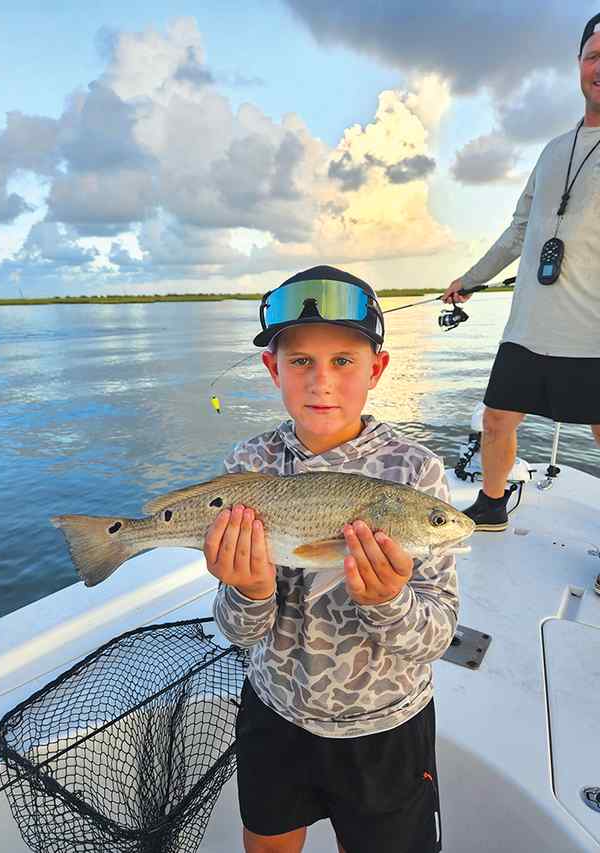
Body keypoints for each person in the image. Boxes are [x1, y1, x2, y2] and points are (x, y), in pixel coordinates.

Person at [205, 265, 458, 853]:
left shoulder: (415, 472)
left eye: (343, 360)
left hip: (385, 724)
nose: (322, 381)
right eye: (301, 361)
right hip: (275, 710)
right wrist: (248, 590)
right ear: (273, 369)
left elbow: (437, 636)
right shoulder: (248, 462)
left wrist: (388, 601)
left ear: (377, 368)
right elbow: (239, 632)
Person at [442, 12, 600, 532]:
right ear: (579, 64)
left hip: (593, 332)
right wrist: (471, 278)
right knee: (496, 419)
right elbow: (518, 230)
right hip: (528, 326)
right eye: (594, 56)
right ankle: (491, 504)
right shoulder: (554, 150)